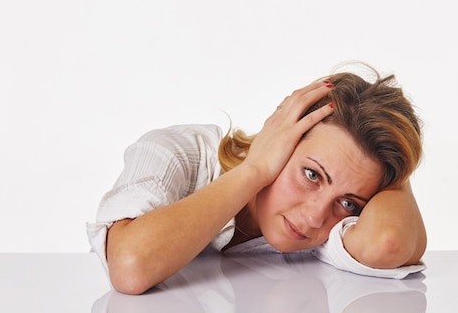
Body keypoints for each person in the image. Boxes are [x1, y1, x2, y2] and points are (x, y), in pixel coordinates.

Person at [86, 62, 427, 295]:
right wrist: (255, 170)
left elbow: (388, 244)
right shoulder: (178, 153)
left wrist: (396, 163)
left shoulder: (330, 223)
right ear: (281, 136)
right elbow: (129, 266)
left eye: (348, 201)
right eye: (311, 175)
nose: (314, 218)